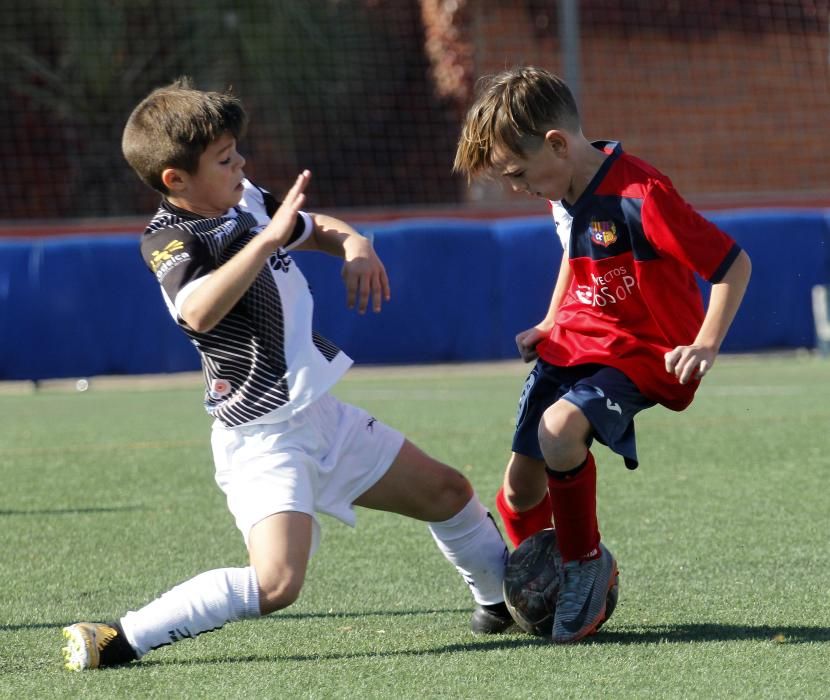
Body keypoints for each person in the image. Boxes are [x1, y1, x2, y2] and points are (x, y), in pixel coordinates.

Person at [61, 77, 512, 671]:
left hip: (320, 415)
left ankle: (504, 603)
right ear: (176, 180)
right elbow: (196, 310)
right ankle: (118, 637)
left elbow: (314, 227)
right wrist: (266, 240)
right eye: (224, 159)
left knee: (450, 493)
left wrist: (355, 244)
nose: (241, 163)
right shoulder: (169, 238)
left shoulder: (246, 199)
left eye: (237, 151)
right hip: (261, 435)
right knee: (277, 584)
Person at [453, 66, 751, 644]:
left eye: (516, 173)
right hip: (575, 339)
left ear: (556, 144)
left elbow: (732, 265)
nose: (516, 186)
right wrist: (549, 319)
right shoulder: (561, 184)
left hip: (642, 351)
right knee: (518, 493)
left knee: (559, 430)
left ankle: (585, 566)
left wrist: (706, 343)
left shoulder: (644, 196)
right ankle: (537, 584)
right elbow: (574, 249)